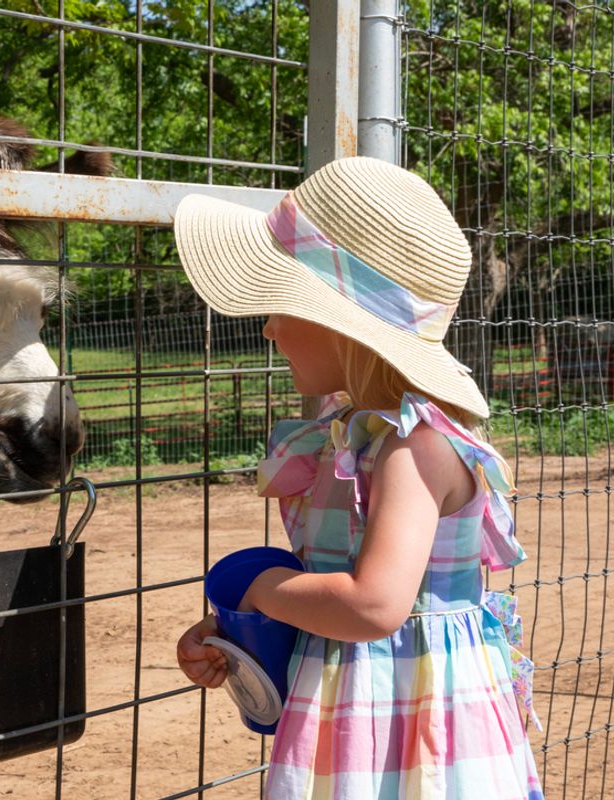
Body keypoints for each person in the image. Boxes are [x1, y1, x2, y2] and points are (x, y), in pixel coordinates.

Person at [173, 157, 544, 799]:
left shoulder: (416, 447)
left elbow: (374, 606)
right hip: (363, 717)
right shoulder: (350, 435)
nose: (268, 327)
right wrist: (236, 637)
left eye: (283, 304)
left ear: (345, 326)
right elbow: (338, 599)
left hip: (415, 733)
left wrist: (263, 586)